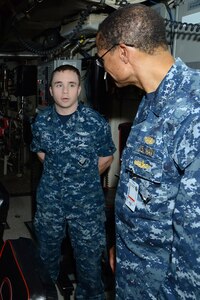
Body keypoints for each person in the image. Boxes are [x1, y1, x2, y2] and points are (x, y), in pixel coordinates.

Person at [96, 4, 200, 300]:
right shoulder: (152, 100)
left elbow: (195, 252)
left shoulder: (192, 112)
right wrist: (123, 244)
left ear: (124, 53)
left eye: (102, 58)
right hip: (135, 273)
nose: (103, 68)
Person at [30, 64, 116, 300]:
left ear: (79, 89)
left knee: (89, 264)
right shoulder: (41, 122)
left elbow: (107, 156)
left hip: (86, 205)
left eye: (71, 85)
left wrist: (82, 177)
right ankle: (45, 295)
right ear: (50, 90)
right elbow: (41, 152)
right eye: (59, 85)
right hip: (50, 202)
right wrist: (59, 173)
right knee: (45, 259)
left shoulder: (95, 122)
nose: (65, 91)